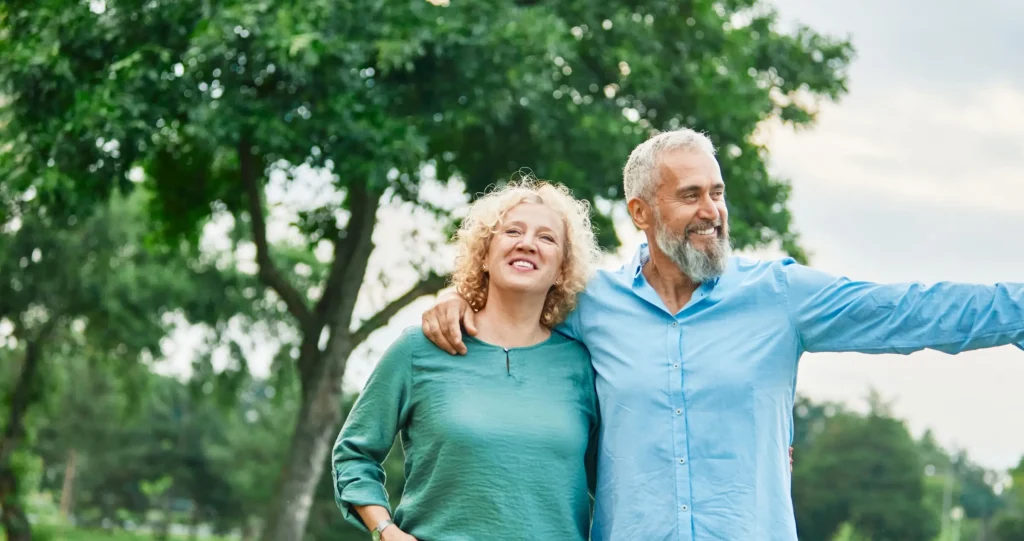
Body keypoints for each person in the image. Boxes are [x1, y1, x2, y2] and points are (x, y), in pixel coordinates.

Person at [421, 128, 1024, 540]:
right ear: (641, 213)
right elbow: (510, 311)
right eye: (690, 196)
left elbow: (910, 312)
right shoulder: (590, 305)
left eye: (717, 193)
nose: (712, 210)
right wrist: (456, 299)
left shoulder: (778, 296)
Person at [331, 179, 603, 541]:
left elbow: (614, 484)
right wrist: (385, 530)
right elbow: (353, 454)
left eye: (547, 238)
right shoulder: (419, 349)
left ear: (562, 270)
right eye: (512, 231)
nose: (527, 243)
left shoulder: (581, 365)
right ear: (484, 256)